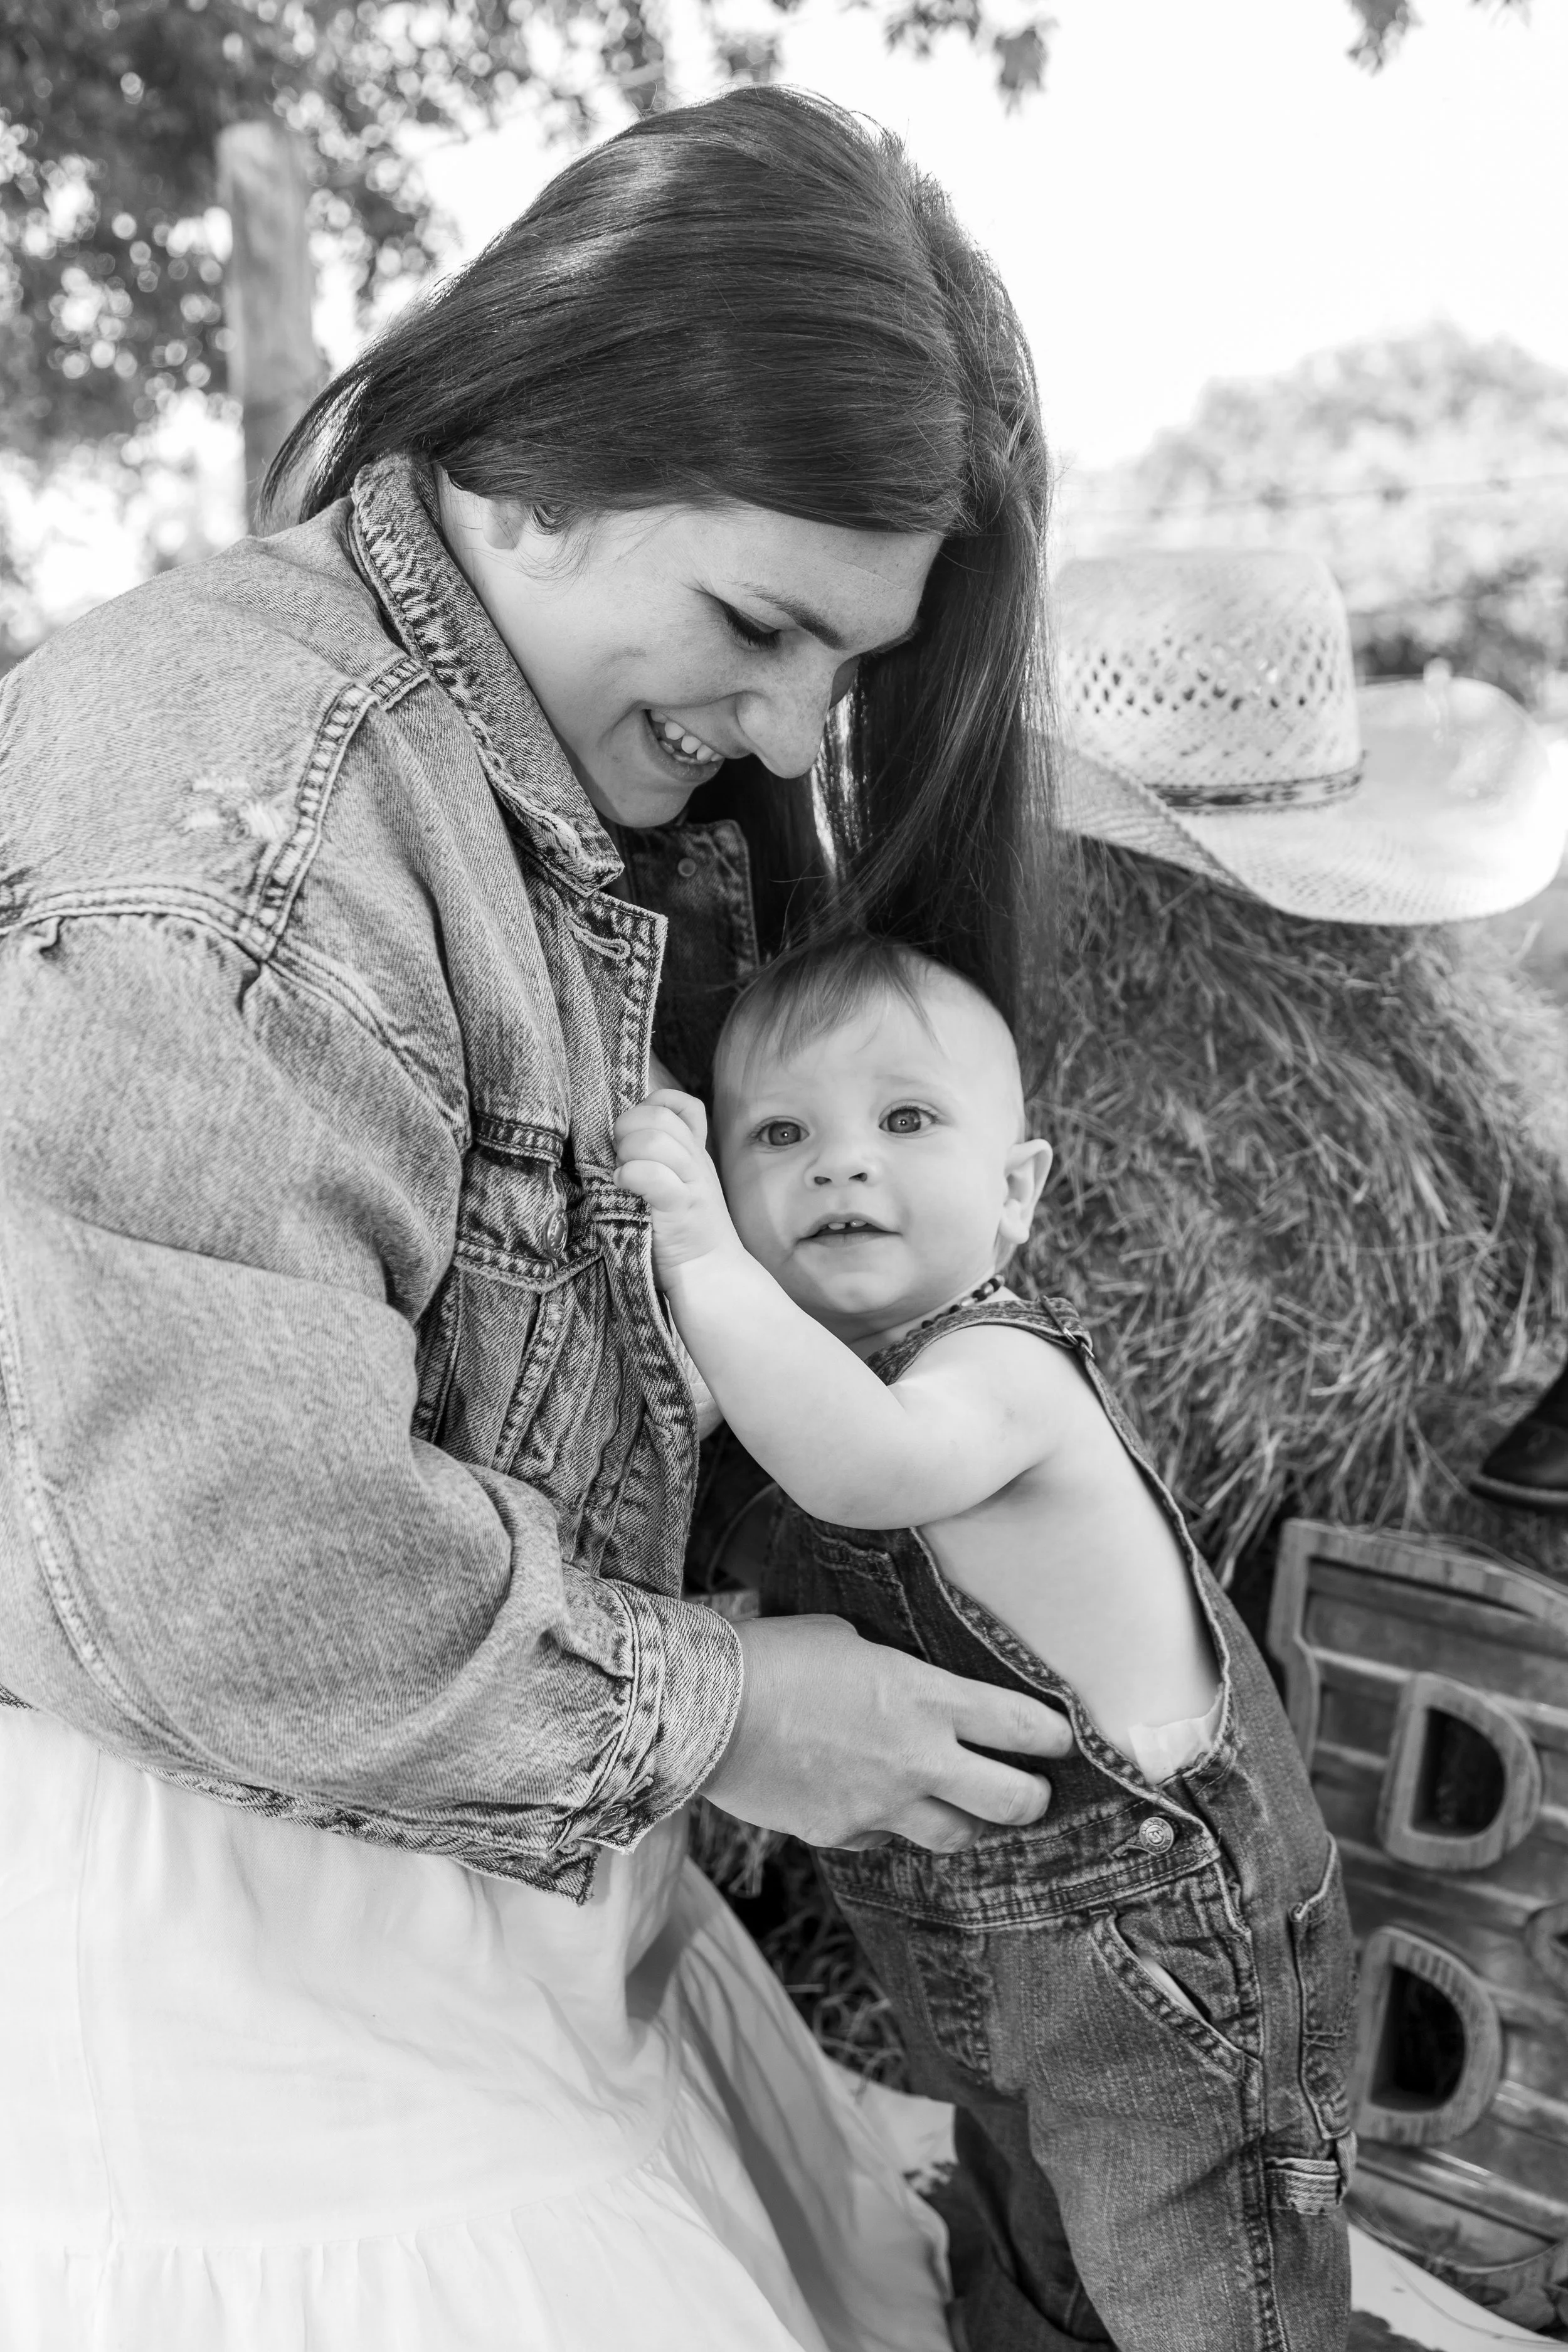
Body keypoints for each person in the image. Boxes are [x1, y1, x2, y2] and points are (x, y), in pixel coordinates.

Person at [0, 88, 1077, 2349]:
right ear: (550, 445)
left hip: (464, 1933)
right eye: (763, 626)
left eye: (850, 669)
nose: (799, 739)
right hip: (236, 2025)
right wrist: (730, 1713)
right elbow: (235, 1562)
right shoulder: (242, 796)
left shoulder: (497, 787)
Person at [613, 931, 1359, 2352]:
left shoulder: (991, 1370)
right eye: (780, 1134)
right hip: (987, 1952)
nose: (838, 1164)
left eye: (905, 1120)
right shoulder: (826, 1378)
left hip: (1163, 1953)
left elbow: (860, 1473)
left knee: (1200, 2285)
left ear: (1015, 1191)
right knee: (1030, 2247)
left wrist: (701, 1252)